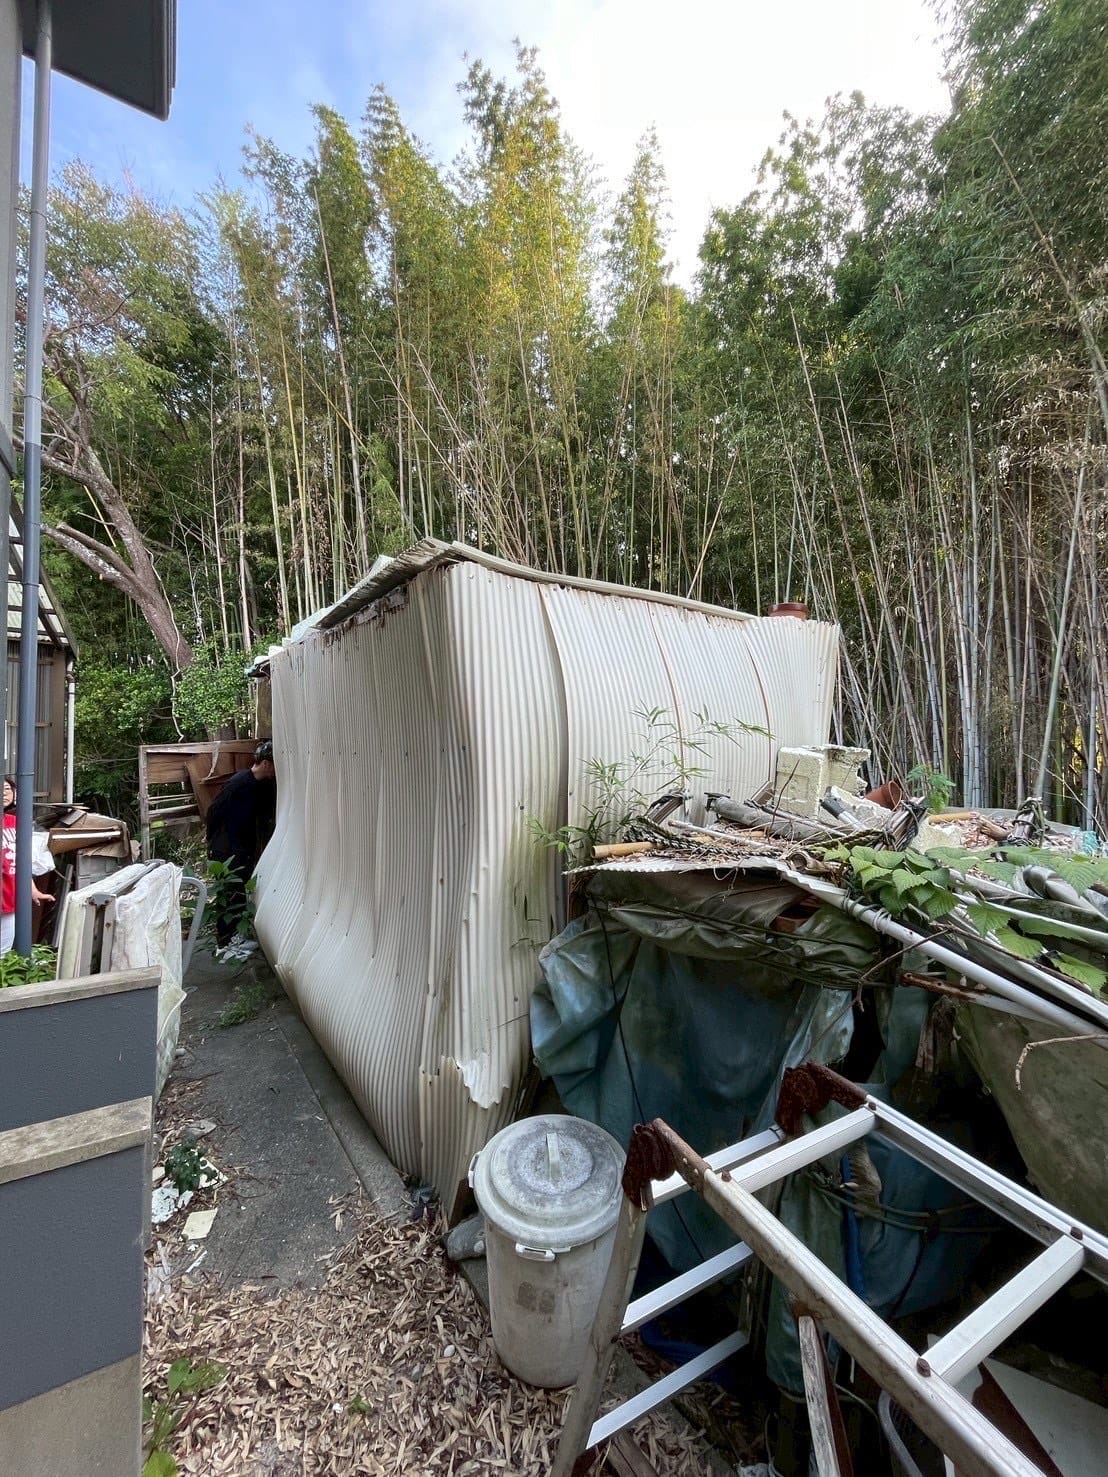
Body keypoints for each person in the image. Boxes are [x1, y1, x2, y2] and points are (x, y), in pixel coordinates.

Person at [205, 741, 277, 948]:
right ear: (265, 763)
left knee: (238, 891)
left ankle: (234, 936)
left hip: (240, 845)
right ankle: (226, 941)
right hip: (226, 847)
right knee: (229, 892)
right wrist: (214, 841)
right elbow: (214, 812)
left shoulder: (260, 786)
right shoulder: (239, 783)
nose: (275, 771)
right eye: (274, 765)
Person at [1, 776, 53, 954]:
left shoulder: (15, 823)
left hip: (9, 897)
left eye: (7, 789)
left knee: (4, 953)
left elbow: (21, 863)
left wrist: (33, 890)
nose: (4, 793)